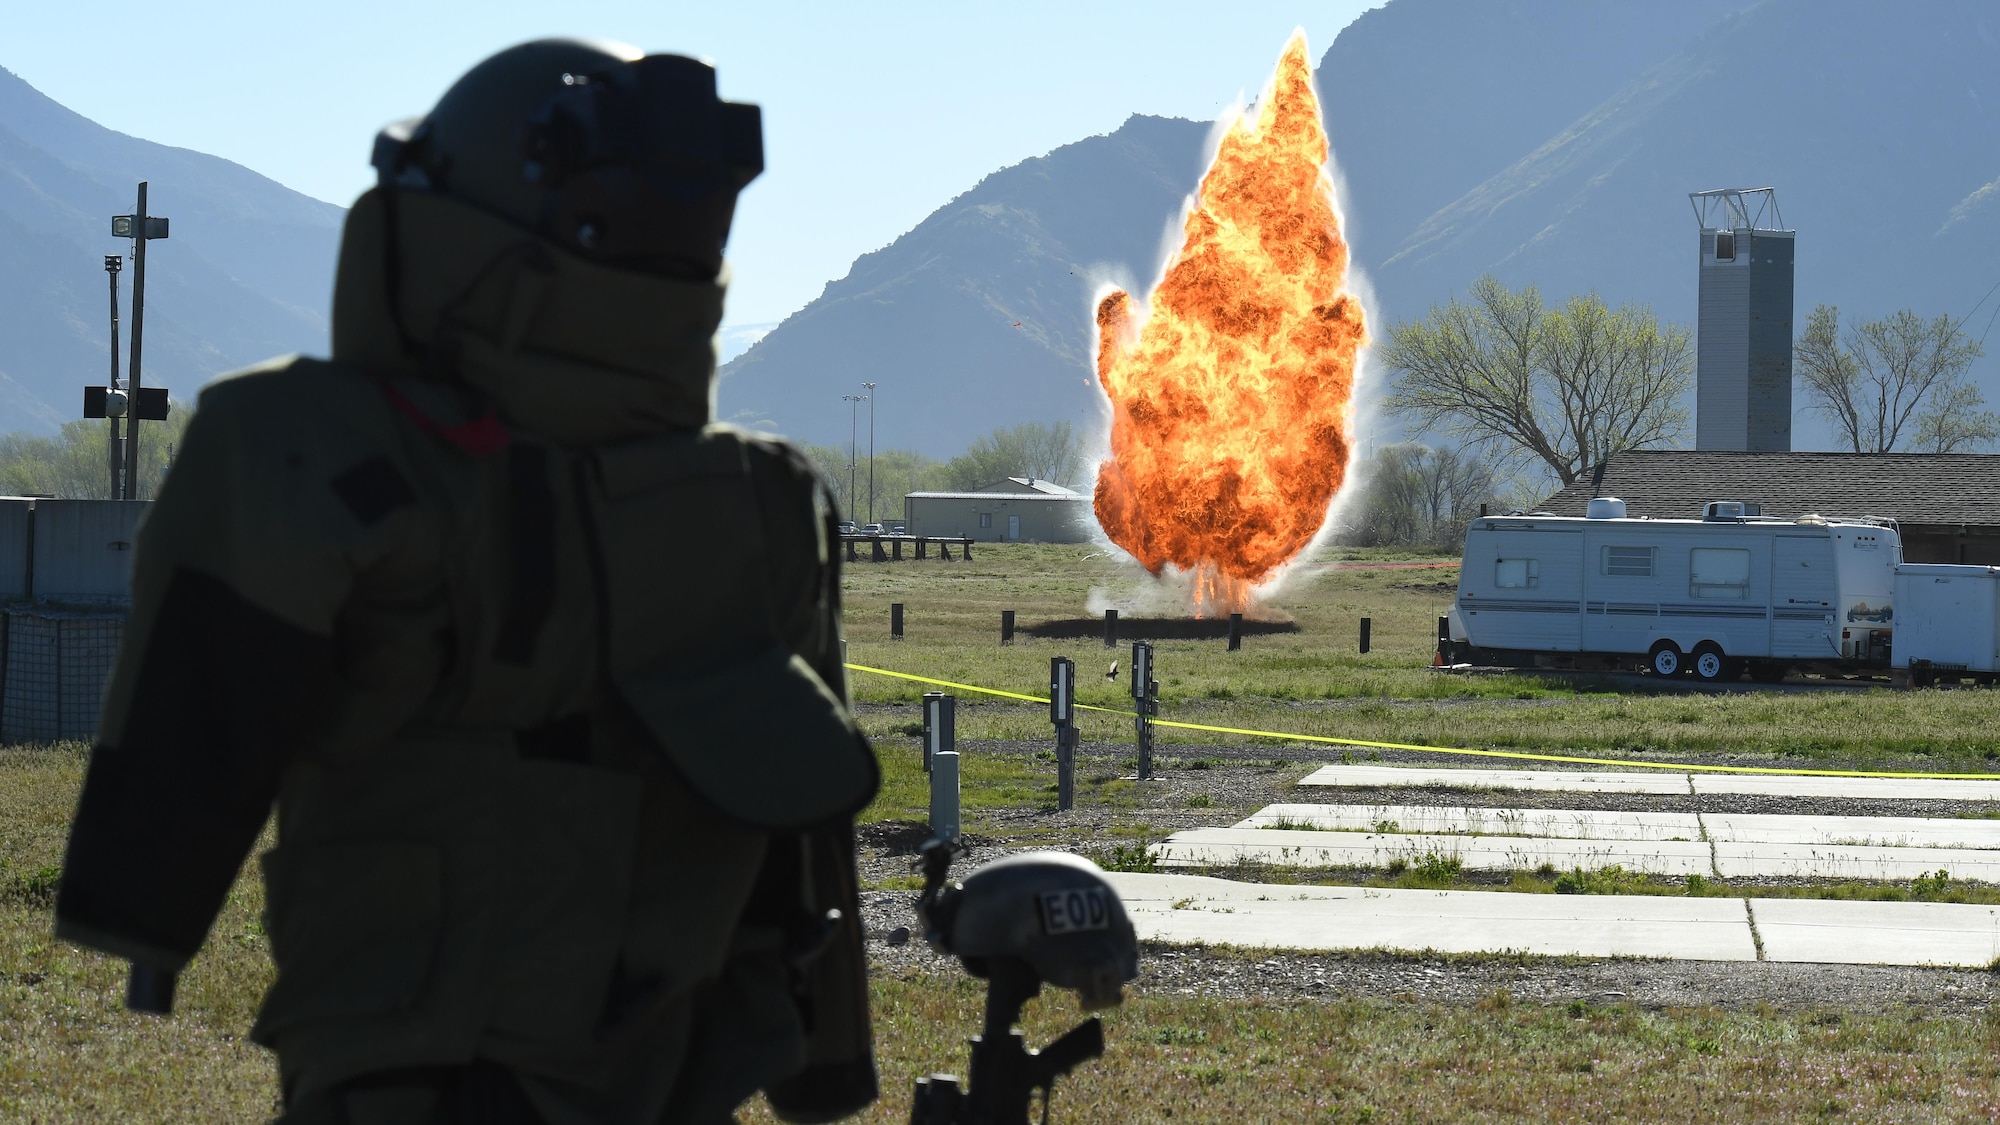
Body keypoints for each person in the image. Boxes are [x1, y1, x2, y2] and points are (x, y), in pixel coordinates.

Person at [55, 39, 880, 1124]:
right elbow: (805, 855)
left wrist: (144, 926)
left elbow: (186, 744)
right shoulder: (760, 499)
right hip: (676, 1072)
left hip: (409, 1068)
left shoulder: (307, 448)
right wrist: (824, 1069)